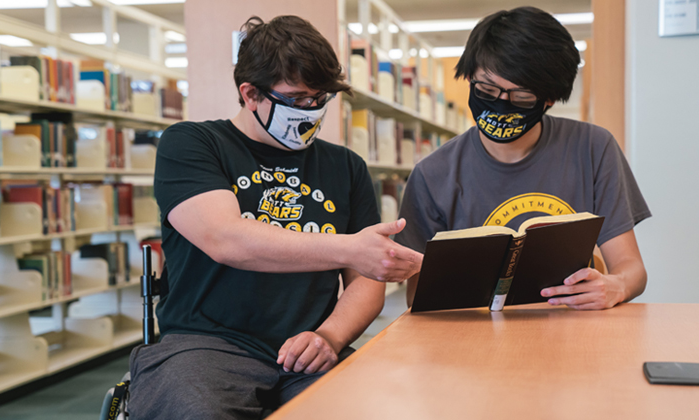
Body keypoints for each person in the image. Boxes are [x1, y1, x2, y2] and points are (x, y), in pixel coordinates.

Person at [129, 15, 423, 419]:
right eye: (299, 99)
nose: (312, 110)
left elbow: (366, 279)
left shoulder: (345, 166)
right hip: (206, 345)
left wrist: (329, 337)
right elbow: (226, 239)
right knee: (198, 410)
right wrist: (350, 248)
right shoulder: (193, 143)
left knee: (377, 406)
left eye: (321, 98)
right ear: (250, 94)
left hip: (307, 348)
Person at [396, 6, 650, 310]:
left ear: (549, 99)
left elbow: (631, 268)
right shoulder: (432, 174)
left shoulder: (593, 148)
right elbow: (417, 298)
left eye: (522, 98)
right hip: (474, 338)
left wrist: (615, 286)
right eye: (487, 90)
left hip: (572, 331)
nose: (501, 104)